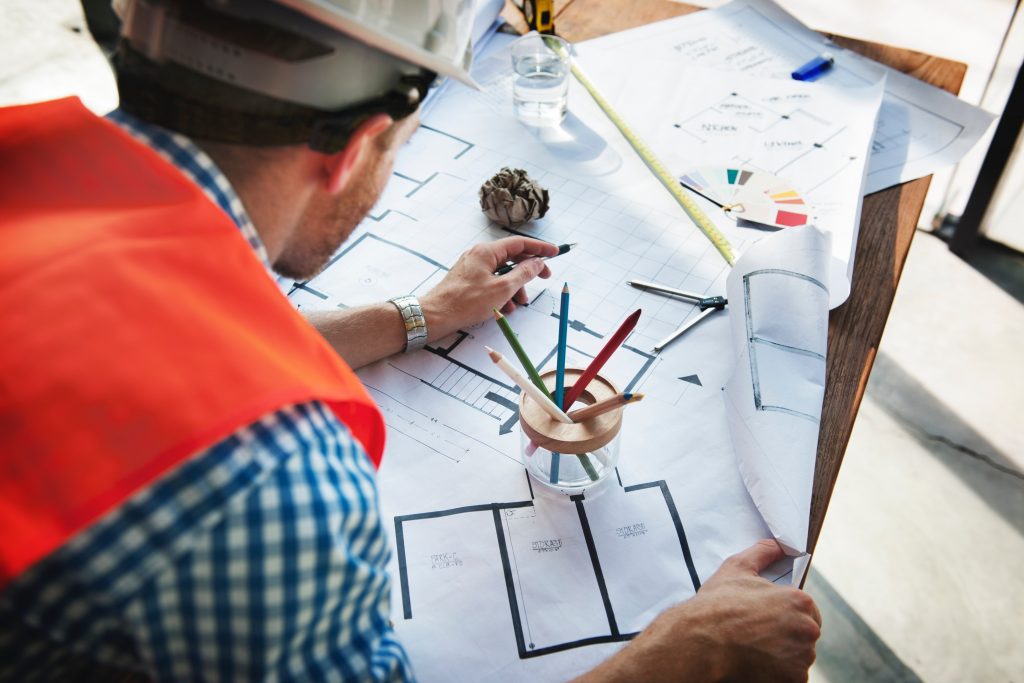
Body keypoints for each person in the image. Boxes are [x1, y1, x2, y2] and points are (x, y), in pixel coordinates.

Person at [0, 1, 821, 680]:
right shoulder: (272, 474)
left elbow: (153, 333)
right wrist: (683, 655)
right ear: (354, 147)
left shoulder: (27, 179)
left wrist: (419, 314)